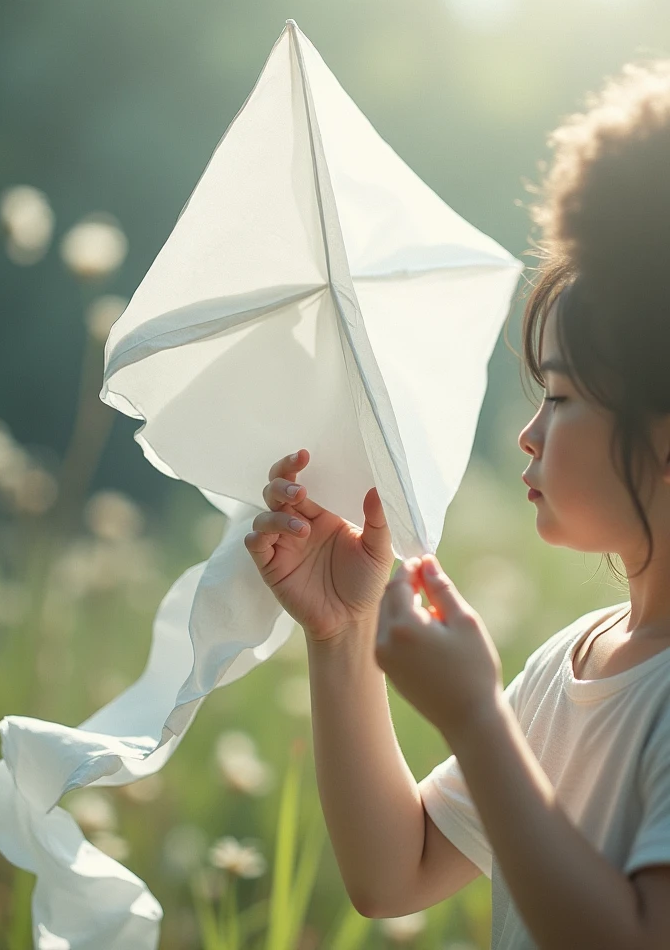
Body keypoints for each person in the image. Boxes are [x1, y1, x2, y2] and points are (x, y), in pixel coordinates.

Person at [243, 60, 670, 949]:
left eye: (558, 397)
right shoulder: (570, 665)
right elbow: (393, 871)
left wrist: (477, 720)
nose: (528, 434)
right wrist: (340, 634)